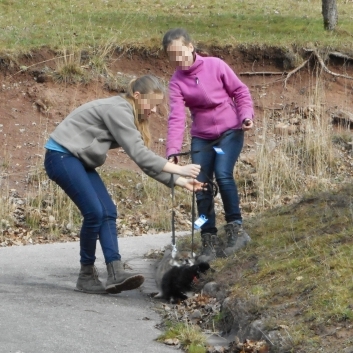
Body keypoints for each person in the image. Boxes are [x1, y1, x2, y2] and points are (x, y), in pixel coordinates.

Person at [44, 74, 205, 295]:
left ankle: (115, 272)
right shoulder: (118, 109)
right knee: (94, 212)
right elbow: (140, 155)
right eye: (153, 105)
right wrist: (179, 168)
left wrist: (180, 181)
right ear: (137, 96)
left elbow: (145, 163)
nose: (155, 111)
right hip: (61, 156)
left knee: (107, 211)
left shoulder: (128, 114)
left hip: (77, 160)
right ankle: (86, 275)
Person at [162, 28, 255, 261]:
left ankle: (236, 228)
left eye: (181, 53)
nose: (178, 60)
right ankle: (208, 237)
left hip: (229, 133)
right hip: (202, 138)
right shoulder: (176, 83)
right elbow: (176, 118)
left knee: (223, 174)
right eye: (172, 57)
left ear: (190, 47)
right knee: (200, 185)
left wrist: (246, 115)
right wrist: (172, 150)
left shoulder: (216, 65)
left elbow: (240, 91)